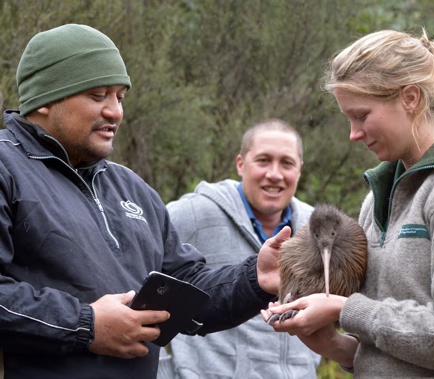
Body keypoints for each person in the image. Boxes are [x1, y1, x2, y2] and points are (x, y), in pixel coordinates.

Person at [0, 24, 286, 379]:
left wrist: (255, 280)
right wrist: (85, 325)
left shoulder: (131, 188)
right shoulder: (6, 167)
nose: (115, 112)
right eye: (98, 95)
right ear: (45, 98)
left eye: (120, 97)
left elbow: (189, 293)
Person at [262, 29, 434, 378]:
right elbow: (385, 351)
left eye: (361, 115)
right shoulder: (378, 197)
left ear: (411, 98)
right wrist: (328, 341)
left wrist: (344, 309)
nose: (353, 133)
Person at [160, 119, 320, 378]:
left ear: (299, 169)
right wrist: (161, 371)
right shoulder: (195, 213)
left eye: (286, 163)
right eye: (263, 160)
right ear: (240, 164)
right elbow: (131, 270)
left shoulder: (316, 229)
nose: (275, 174)